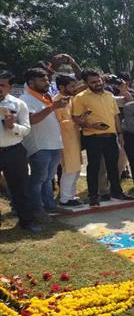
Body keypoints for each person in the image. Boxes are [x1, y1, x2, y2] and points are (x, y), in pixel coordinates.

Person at [72, 70, 134, 206]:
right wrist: (91, 125)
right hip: (92, 137)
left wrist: (120, 134)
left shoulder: (109, 95)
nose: (97, 84)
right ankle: (94, 196)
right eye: (93, 82)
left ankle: (117, 193)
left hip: (111, 136)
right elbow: (76, 118)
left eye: (99, 80)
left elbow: (115, 116)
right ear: (86, 83)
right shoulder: (80, 97)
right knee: (94, 167)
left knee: (113, 166)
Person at [20, 68, 68, 219]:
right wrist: (53, 107)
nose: (47, 82)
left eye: (47, 79)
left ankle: (50, 205)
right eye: (42, 80)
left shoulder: (47, 98)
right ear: (31, 82)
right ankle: (37, 208)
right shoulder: (25, 99)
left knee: (48, 178)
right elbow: (32, 120)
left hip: (54, 144)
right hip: (39, 146)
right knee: (38, 179)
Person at [0, 71, 41, 232]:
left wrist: (13, 126)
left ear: (9, 87)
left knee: (20, 187)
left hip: (13, 151)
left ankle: (27, 221)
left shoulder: (18, 104)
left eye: (2, 85)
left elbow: (26, 129)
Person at [54, 75, 83, 207]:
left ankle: (71, 196)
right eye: (72, 86)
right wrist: (77, 121)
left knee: (76, 168)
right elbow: (62, 122)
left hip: (74, 138)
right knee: (69, 169)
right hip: (65, 140)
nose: (74, 88)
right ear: (61, 87)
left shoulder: (70, 99)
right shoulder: (58, 101)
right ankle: (65, 199)